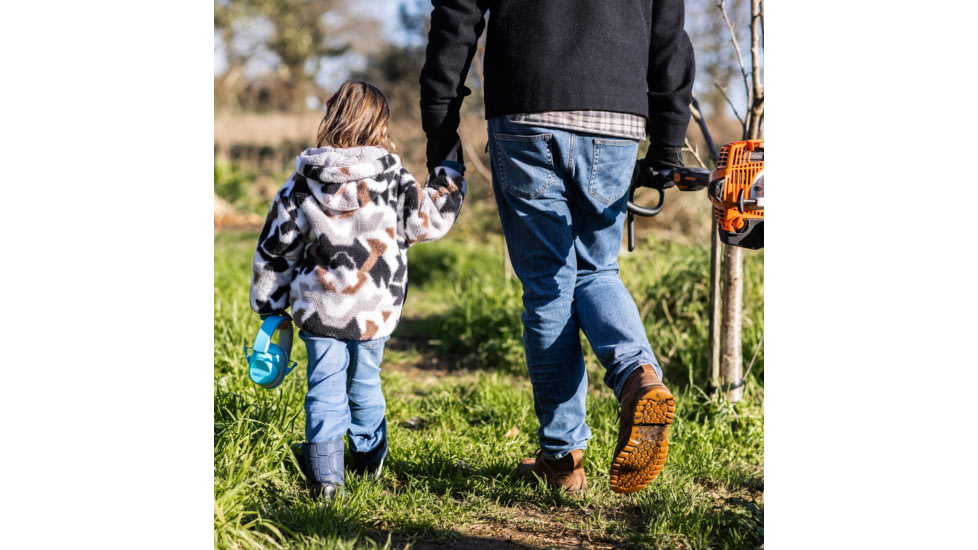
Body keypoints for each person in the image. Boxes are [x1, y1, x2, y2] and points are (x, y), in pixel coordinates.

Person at [420, 1, 695, 494]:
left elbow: (455, 16)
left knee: (549, 286)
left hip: (527, 107)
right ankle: (639, 376)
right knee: (596, 271)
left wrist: (441, 129)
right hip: (616, 117)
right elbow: (668, 32)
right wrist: (668, 143)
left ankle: (562, 458)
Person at [250, 80, 467, 500]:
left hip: (319, 309)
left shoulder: (301, 183)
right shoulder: (394, 179)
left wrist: (269, 304)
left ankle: (328, 482)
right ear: (380, 124)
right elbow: (427, 223)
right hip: (375, 309)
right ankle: (368, 464)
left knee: (324, 389)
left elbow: (274, 250)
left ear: (330, 118)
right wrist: (449, 174)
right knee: (365, 383)